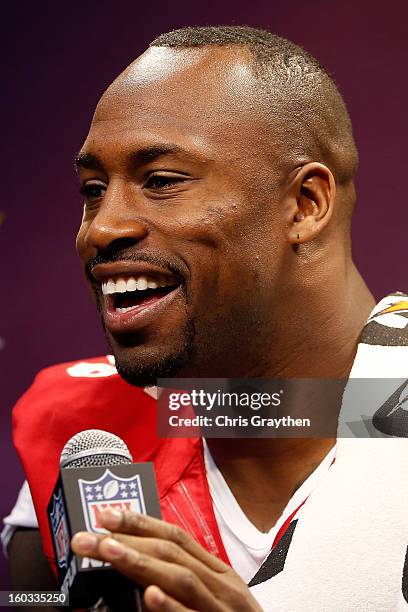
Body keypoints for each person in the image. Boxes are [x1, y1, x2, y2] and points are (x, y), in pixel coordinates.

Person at [3, 26, 408, 611]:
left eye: (161, 181)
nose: (101, 227)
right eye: (93, 189)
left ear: (305, 204)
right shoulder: (83, 447)